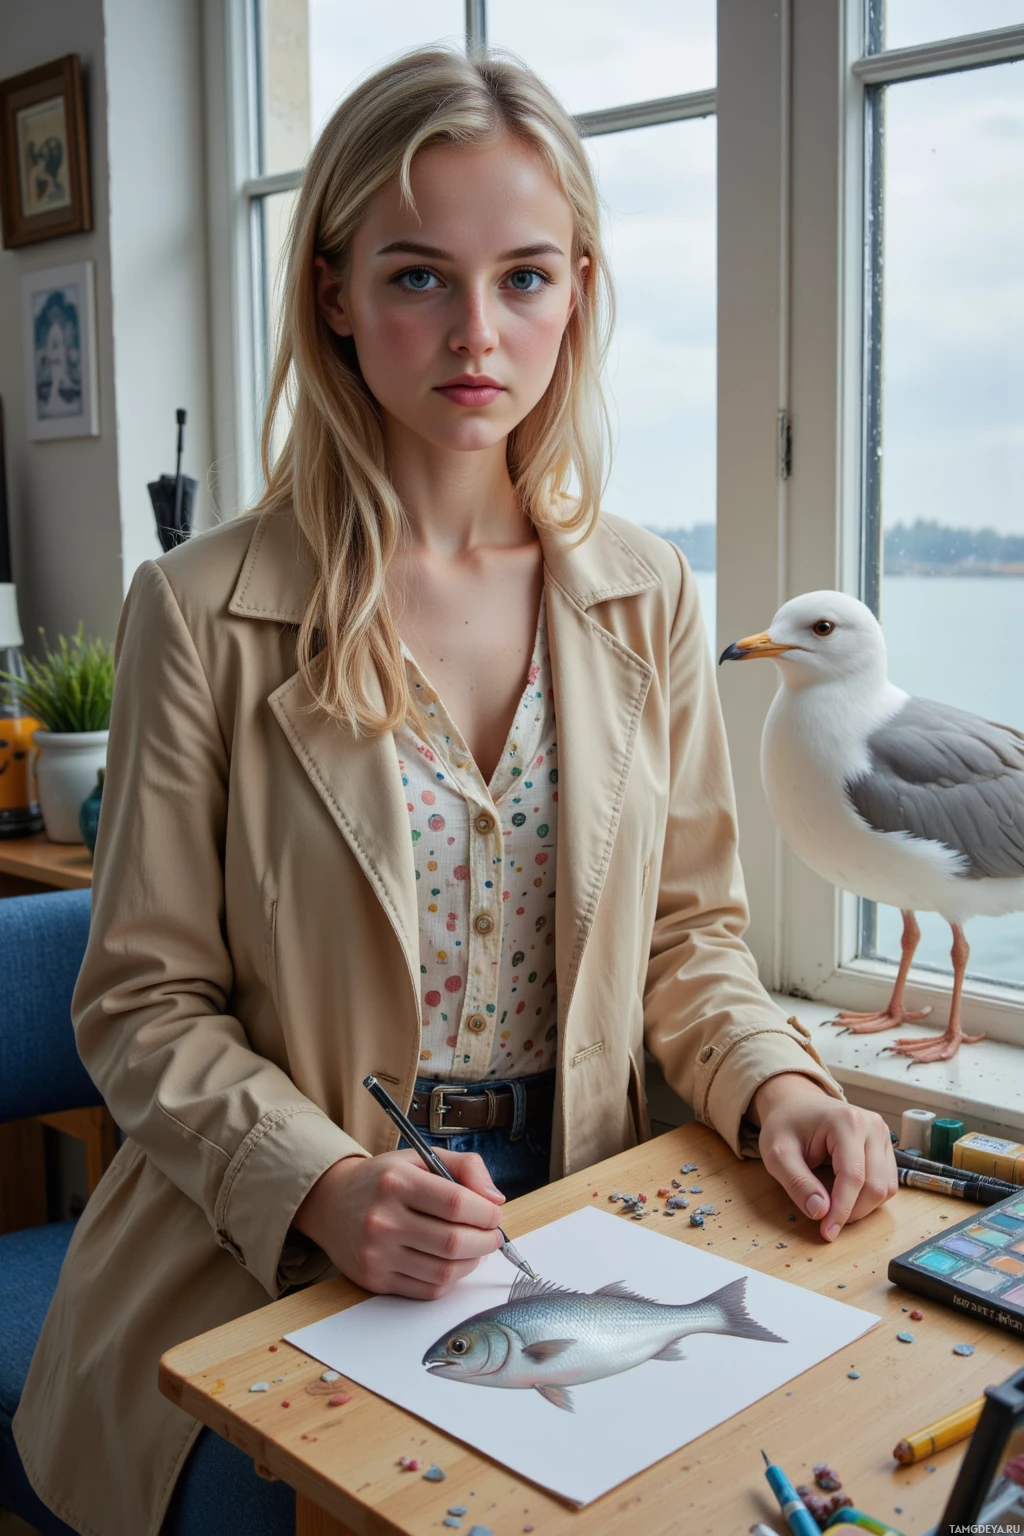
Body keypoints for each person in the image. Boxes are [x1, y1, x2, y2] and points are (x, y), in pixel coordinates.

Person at [12, 43, 897, 1536]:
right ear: (335, 295)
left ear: (579, 294)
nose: (478, 332)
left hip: (577, 1205)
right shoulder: (200, 606)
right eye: (420, 275)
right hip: (271, 1223)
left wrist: (782, 1083)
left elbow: (690, 942)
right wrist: (323, 1189)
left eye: (527, 278)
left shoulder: (648, 596)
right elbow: (141, 1006)